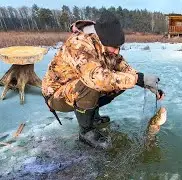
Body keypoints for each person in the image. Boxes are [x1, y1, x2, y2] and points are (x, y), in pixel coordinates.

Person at [41, 11, 165, 149]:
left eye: (119, 47)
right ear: (102, 39)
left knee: (120, 82)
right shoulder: (79, 45)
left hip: (77, 88)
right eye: (115, 47)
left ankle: (93, 117)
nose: (117, 51)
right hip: (57, 94)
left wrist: (144, 82)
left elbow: (123, 68)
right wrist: (137, 79)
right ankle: (86, 131)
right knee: (95, 84)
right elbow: (96, 78)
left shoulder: (107, 45)